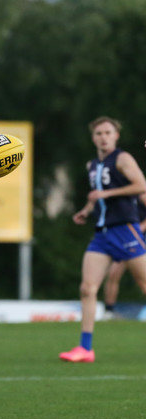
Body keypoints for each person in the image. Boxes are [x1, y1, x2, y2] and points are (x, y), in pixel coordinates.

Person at [60, 116, 146, 363]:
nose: (103, 137)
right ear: (93, 137)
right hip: (102, 234)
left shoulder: (123, 158)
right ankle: (85, 348)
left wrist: (106, 193)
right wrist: (86, 210)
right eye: (99, 133)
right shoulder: (92, 165)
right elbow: (96, 195)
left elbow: (141, 185)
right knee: (87, 288)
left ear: (116, 136)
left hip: (125, 230)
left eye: (108, 132)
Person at [102, 193, 146, 319]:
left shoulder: (140, 191)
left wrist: (139, 229)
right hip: (124, 240)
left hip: (139, 241)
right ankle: (108, 311)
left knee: (142, 280)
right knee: (113, 274)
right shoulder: (119, 192)